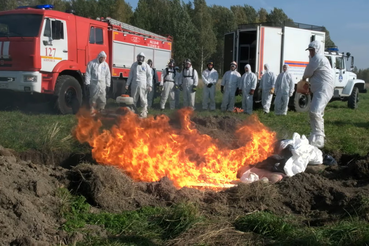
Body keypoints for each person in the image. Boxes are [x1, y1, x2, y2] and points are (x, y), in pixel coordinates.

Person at [302, 40, 334, 148]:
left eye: (312, 50)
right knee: (316, 112)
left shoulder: (318, 58)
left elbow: (308, 72)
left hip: (323, 89)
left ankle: (319, 139)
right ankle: (315, 136)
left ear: (317, 50)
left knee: (315, 111)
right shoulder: (318, 59)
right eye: (310, 50)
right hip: (320, 89)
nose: (310, 52)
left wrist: (303, 80)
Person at [125, 52, 152, 118]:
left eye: (141, 57)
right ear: (137, 57)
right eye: (139, 57)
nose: (140, 58)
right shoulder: (134, 65)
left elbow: (149, 76)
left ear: (143, 58)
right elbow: (130, 75)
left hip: (143, 84)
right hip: (134, 84)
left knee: (143, 99)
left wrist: (150, 85)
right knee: (133, 99)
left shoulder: (146, 66)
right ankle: (132, 112)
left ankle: (144, 113)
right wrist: (127, 84)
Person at [85, 51, 111, 116]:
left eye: (104, 58)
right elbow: (88, 74)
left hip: (102, 84)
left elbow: (108, 75)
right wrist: (87, 83)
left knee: (102, 98)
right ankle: (92, 111)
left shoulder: (105, 65)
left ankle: (101, 111)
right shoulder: (92, 63)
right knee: (93, 97)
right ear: (99, 57)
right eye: (102, 58)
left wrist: (108, 85)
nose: (103, 59)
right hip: (94, 83)